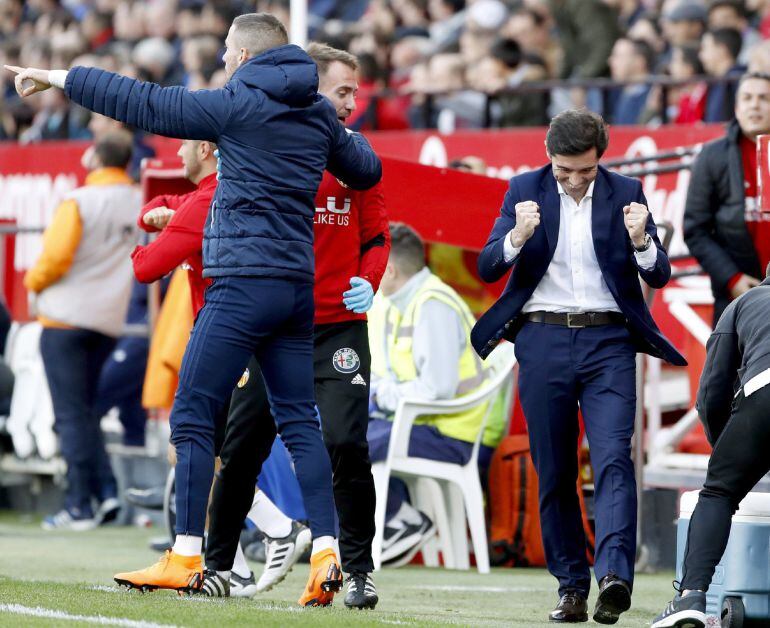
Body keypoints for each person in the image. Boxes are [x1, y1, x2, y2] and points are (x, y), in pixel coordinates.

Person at [5, 12, 382, 605]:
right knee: (299, 422)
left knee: (191, 415)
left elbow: (142, 101)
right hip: (295, 287)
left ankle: (185, 556)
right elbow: (367, 169)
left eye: (228, 51)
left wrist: (57, 77)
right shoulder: (316, 114)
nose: (224, 59)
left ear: (245, 56)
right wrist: (340, 138)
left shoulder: (235, 104)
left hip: (242, 284)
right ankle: (327, 554)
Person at [472, 109, 685, 624]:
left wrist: (642, 242)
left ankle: (613, 577)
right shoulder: (523, 189)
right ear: (548, 156)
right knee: (554, 470)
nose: (573, 180)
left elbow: (659, 274)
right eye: (563, 170)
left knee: (613, 458)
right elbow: (487, 267)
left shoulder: (627, 192)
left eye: (585, 171)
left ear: (600, 160)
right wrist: (517, 236)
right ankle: (570, 586)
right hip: (542, 338)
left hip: (609, 340)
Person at [203, 42, 390, 610]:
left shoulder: (359, 158)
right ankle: (217, 566)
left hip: (338, 329)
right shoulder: (270, 147)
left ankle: (358, 572)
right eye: (342, 91)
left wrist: (369, 281)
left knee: (347, 443)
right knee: (241, 448)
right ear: (311, 88)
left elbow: (377, 237)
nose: (352, 103)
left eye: (355, 92)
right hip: (276, 326)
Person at [367, 223, 504, 566]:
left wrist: (380, 397)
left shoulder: (432, 304)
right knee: (338, 431)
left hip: (450, 433)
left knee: (344, 440)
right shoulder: (401, 301)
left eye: (370, 262)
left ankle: (400, 520)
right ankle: (398, 520)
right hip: (424, 424)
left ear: (389, 269)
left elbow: (436, 389)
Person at [24, 131, 141, 531]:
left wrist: (32, 284)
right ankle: (106, 493)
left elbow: (54, 258)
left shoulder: (80, 200)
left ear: (95, 159)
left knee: (71, 413)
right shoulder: (137, 200)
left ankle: (78, 505)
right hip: (108, 320)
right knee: (87, 411)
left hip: (64, 318)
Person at [651, 263, 770, 628]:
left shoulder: (747, 301)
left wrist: (727, 452)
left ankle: (690, 597)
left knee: (719, 492)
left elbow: (712, 394)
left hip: (765, 391)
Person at [683, 73, 770, 326]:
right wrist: (732, 278)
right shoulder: (712, 156)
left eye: (764, 98)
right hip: (735, 298)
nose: (755, 105)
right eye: (747, 98)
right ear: (737, 108)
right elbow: (695, 230)